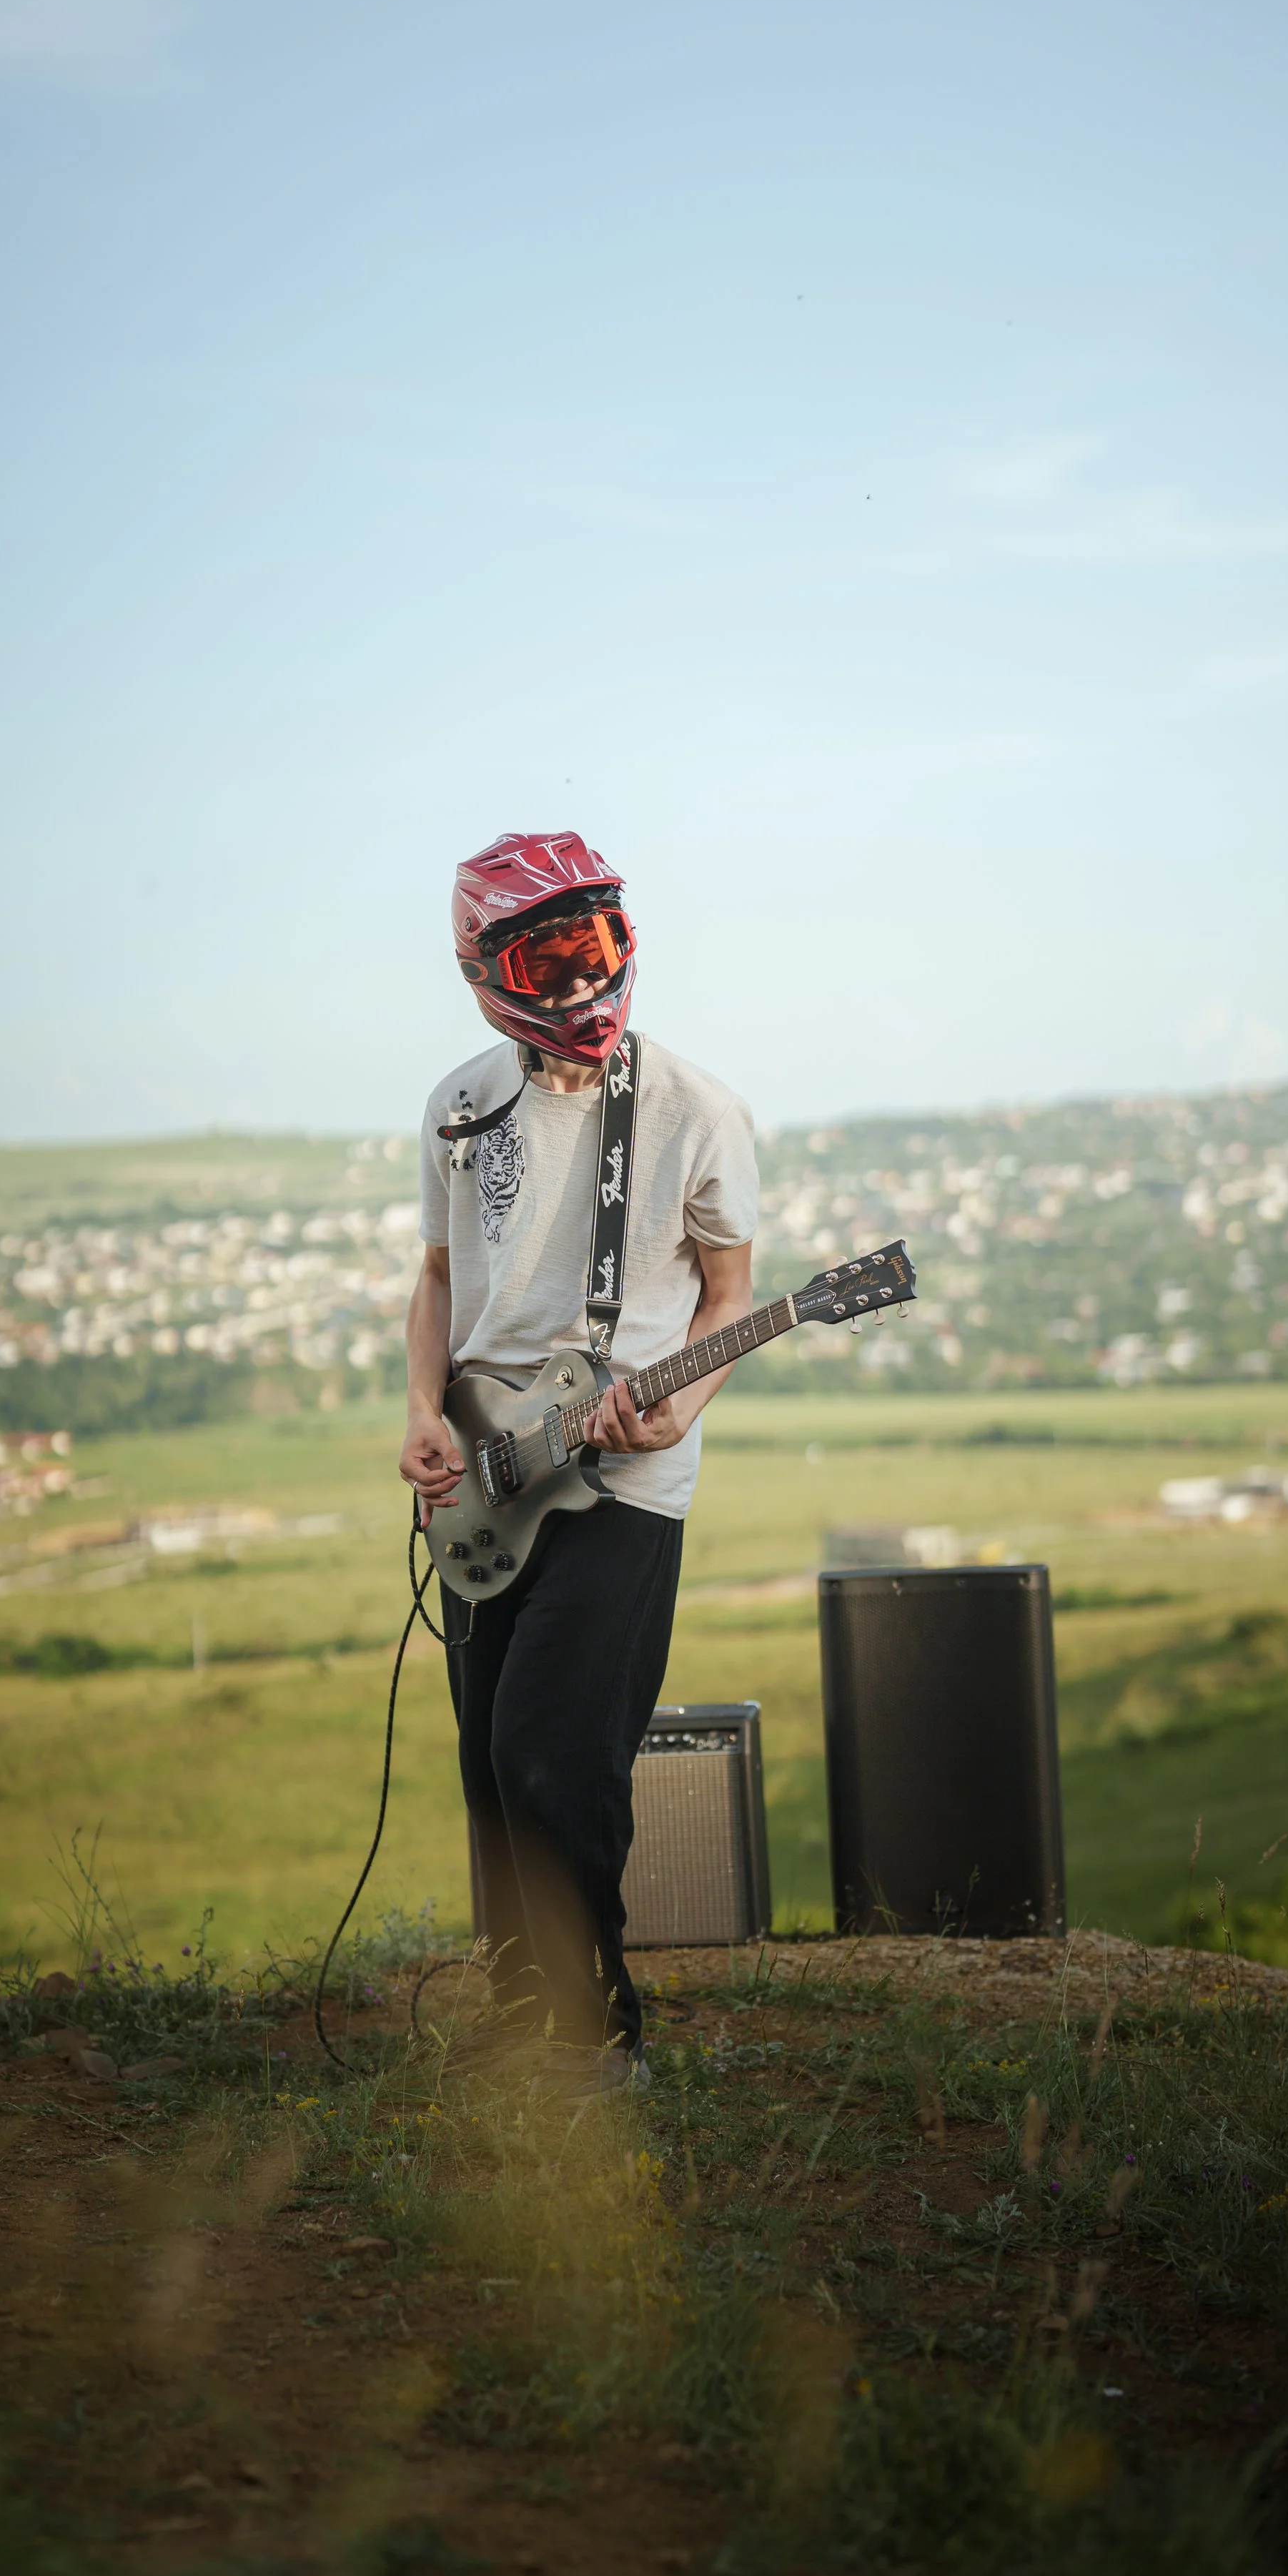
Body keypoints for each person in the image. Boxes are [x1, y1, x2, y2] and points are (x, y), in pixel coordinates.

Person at [400, 833, 758, 2093]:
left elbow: (731, 1296)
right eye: (548, 959)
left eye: (597, 946)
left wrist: (680, 1406)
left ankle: (600, 2040)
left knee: (554, 1754)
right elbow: (438, 1278)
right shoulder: (457, 1106)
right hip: (486, 1475)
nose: (583, 980)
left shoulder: (697, 1110)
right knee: (488, 1767)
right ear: (482, 970)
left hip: (624, 1482)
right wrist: (422, 1412)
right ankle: (522, 2019)